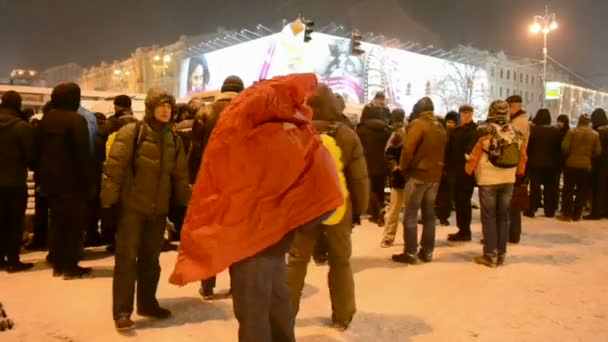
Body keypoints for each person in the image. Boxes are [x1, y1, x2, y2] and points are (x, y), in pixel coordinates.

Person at [170, 74, 343, 342]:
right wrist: (294, 220)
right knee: (276, 296)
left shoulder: (243, 133)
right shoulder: (297, 130)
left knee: (252, 307)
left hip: (248, 233)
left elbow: (221, 179)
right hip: (277, 234)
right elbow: (323, 183)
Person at [101, 88, 190, 330]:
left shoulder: (174, 139)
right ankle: (122, 311)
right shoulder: (133, 132)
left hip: (158, 211)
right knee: (127, 260)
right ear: (150, 108)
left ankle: (147, 303)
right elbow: (114, 169)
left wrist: (185, 206)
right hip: (132, 209)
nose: (165, 110)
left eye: (169, 106)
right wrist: (108, 203)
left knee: (151, 260)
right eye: (161, 105)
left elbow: (180, 177)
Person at [287, 84, 369, 331]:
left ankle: (285, 314)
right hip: (338, 207)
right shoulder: (346, 134)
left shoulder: (295, 131)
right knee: (340, 261)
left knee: (296, 261)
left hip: (303, 208)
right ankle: (342, 316)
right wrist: (358, 211)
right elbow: (359, 178)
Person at [187, 75, 245, 300]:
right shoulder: (249, 112)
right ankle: (238, 285)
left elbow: (194, 152)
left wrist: (193, 181)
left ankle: (207, 285)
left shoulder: (205, 113)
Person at [35, 83, 94, 279]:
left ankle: (58, 263)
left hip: (51, 182)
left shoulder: (47, 119)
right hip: (73, 183)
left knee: (58, 223)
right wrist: (88, 182)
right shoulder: (76, 120)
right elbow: (82, 154)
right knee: (74, 225)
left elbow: (38, 151)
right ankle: (70, 265)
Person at [466, 100, 527, 267]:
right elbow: (523, 156)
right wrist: (519, 173)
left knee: (489, 217)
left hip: (488, 179)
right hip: (509, 179)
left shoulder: (484, 130)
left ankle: (490, 255)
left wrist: (468, 169)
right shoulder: (517, 131)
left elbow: (475, 154)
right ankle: (501, 254)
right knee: (503, 216)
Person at [392, 97, 447, 265]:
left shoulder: (418, 124)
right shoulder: (440, 126)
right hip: (435, 175)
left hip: (418, 175)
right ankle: (427, 252)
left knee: (410, 214)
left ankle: (410, 253)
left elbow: (408, 150)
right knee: (429, 214)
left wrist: (403, 168)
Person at [0, 91, 35, 272]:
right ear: (18, 105)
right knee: (14, 222)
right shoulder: (21, 127)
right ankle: (13, 260)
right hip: (14, 182)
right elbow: (31, 156)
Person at [558, 114, 601, 222]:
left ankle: (567, 214)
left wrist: (570, 155)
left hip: (571, 164)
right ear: (589, 122)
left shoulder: (572, 132)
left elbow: (565, 148)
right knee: (582, 191)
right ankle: (577, 215)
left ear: (579, 121)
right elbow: (598, 151)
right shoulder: (595, 134)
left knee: (568, 190)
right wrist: (588, 156)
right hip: (586, 166)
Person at [446, 105, 478, 242]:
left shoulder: (475, 130)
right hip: (455, 171)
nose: (466, 115)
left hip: (467, 172)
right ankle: (462, 229)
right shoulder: (456, 130)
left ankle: (466, 231)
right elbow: (450, 149)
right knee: (458, 202)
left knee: (464, 202)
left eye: (468, 113)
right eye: (463, 113)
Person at [357, 102, 391, 226]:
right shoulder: (386, 130)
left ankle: (376, 212)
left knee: (370, 190)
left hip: (367, 164)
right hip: (382, 166)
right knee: (380, 189)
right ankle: (380, 208)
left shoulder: (361, 129)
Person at [524, 109, 562, 218]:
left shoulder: (533, 130)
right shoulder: (556, 131)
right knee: (549, 188)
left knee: (534, 187)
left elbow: (529, 148)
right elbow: (559, 150)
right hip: (551, 165)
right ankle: (549, 211)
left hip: (535, 163)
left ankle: (532, 209)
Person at [380, 109, 406, 247]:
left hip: (404, 178)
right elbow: (389, 154)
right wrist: (395, 168)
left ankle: (389, 238)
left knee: (395, 209)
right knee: (396, 209)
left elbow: (388, 154)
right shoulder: (400, 134)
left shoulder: (399, 133)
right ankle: (390, 237)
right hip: (403, 177)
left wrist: (395, 168)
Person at [505, 95, 529, 244]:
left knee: (513, 202)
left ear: (516, 106)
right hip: (516, 164)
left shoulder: (519, 123)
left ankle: (513, 234)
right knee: (512, 202)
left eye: (510, 107)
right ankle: (512, 233)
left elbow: (517, 145)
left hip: (515, 165)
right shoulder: (516, 121)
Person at [435, 111, 459, 226]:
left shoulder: (457, 135)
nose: (450, 124)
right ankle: (435, 214)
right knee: (436, 193)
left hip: (451, 169)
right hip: (439, 166)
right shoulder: (441, 133)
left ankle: (444, 216)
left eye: (452, 122)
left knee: (446, 195)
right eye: (448, 122)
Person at [584, 108, 608, 220]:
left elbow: (596, 150)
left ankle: (596, 212)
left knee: (597, 187)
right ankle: (604, 210)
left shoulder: (598, 133)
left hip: (599, 163)